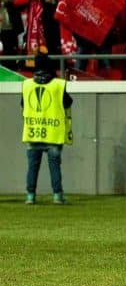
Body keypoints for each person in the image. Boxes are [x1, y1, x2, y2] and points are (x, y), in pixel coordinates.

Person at [21, 52, 73, 205]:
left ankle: (30, 196)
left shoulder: (27, 85)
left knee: (32, 167)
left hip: (33, 131)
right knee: (55, 166)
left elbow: (23, 105)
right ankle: (57, 196)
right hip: (53, 133)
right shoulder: (58, 85)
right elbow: (68, 103)